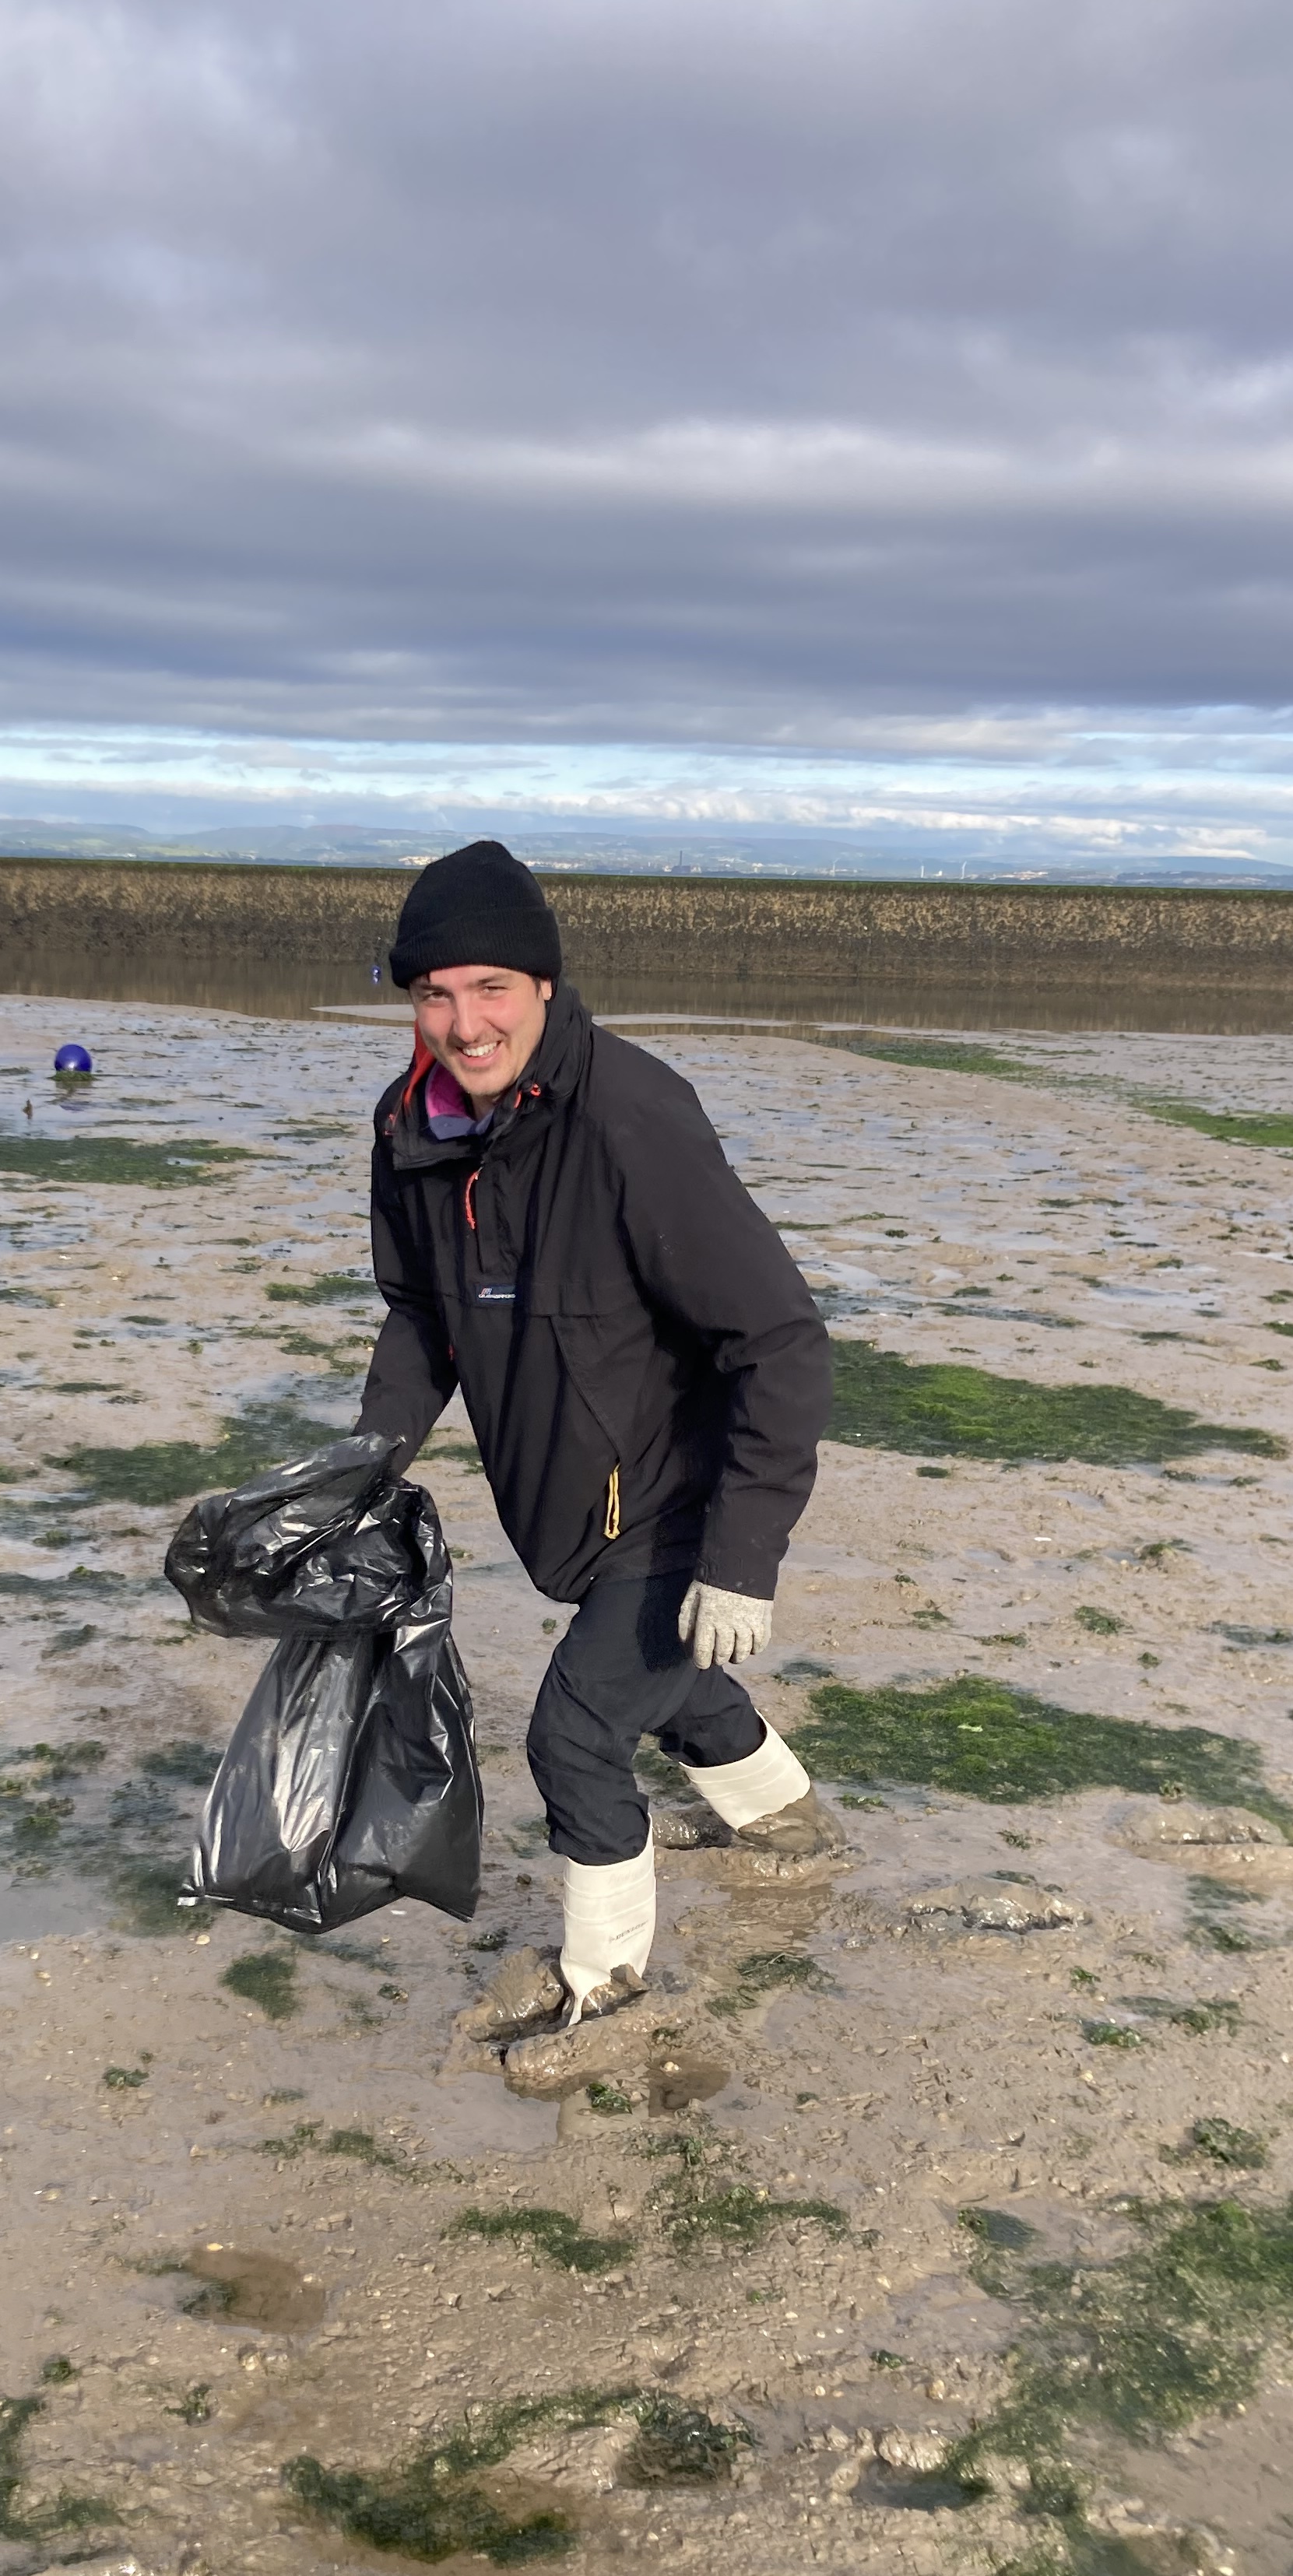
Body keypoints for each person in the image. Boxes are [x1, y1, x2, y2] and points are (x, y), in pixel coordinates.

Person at [355, 840, 834, 2027]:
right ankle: (791, 1830)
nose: (465, 1024)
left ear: (546, 989)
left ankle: (603, 1990)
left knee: (574, 1731)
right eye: (435, 993)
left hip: (682, 1498)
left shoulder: (630, 1116)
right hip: (575, 1502)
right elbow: (423, 1315)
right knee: (663, 1682)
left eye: (492, 989)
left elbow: (781, 1339)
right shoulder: (413, 1127)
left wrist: (741, 1557)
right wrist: (366, 1462)